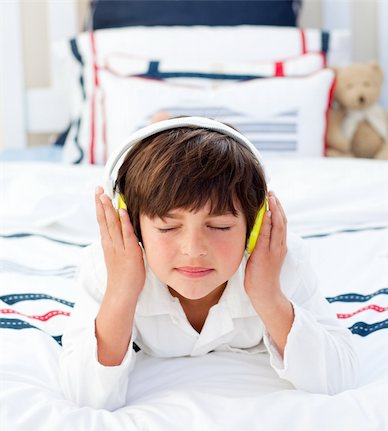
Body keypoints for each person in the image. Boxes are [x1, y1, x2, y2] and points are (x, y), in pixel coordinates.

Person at [59, 117, 359, 411]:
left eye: (219, 227)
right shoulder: (109, 265)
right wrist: (122, 291)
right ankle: (162, 119)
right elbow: (85, 395)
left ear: (253, 227)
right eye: (167, 228)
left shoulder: (281, 259)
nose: (193, 250)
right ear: (134, 228)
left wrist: (267, 294)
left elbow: (336, 379)